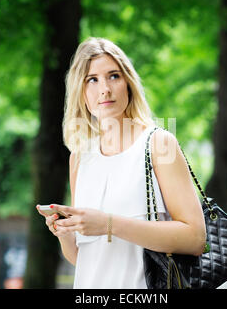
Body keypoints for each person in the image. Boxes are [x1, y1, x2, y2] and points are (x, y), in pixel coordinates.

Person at [36, 37, 206, 289]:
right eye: (92, 79)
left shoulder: (157, 144)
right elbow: (83, 259)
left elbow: (195, 238)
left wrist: (108, 224)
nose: (104, 89)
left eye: (113, 76)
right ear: (80, 91)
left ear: (128, 82)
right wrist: (66, 233)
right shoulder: (80, 158)